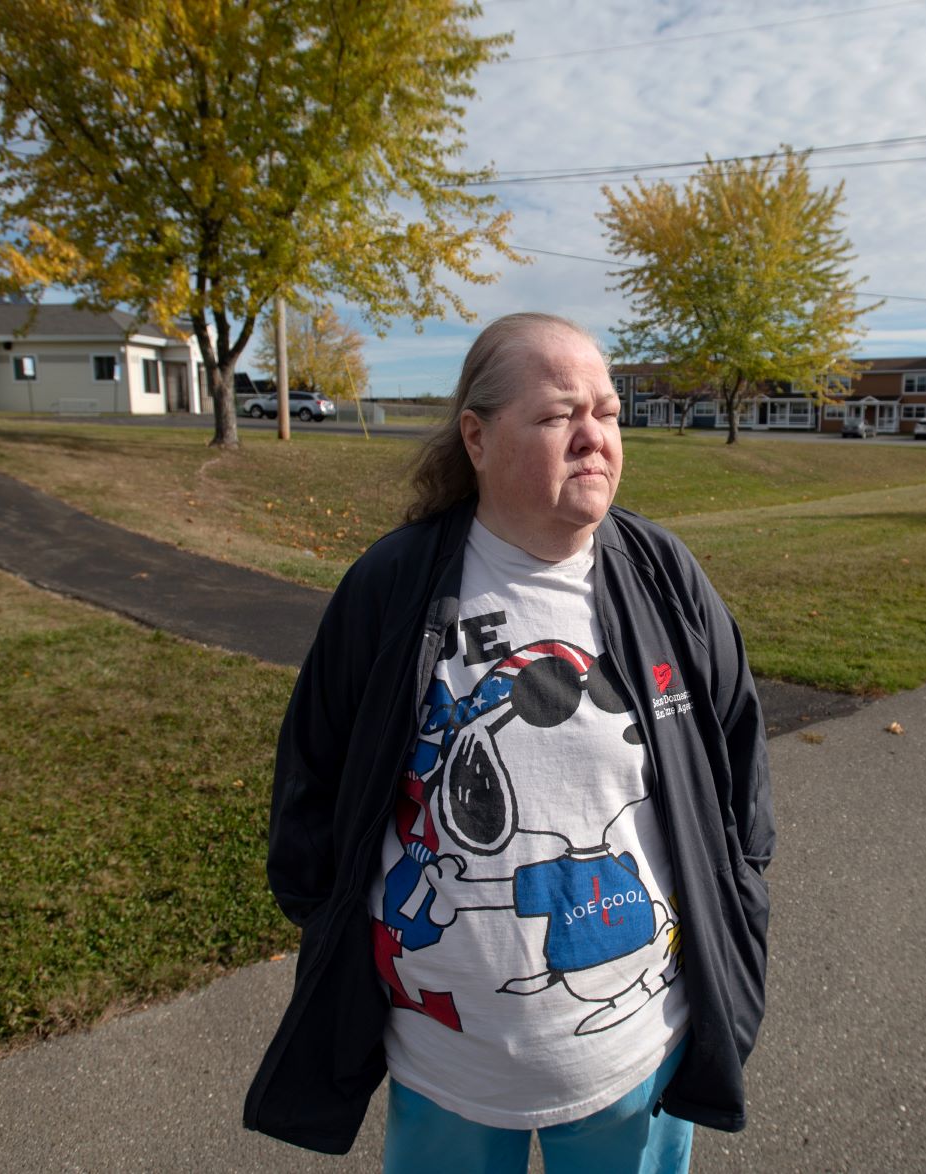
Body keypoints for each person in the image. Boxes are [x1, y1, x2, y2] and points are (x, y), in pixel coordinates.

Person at [244, 313, 773, 1172]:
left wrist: (741, 884)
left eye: (606, 410)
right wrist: (332, 912)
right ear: (476, 437)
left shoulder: (663, 575)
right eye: (560, 415)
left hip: (632, 1052)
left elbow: (737, 752)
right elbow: (312, 768)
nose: (594, 436)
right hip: (449, 1064)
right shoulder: (395, 585)